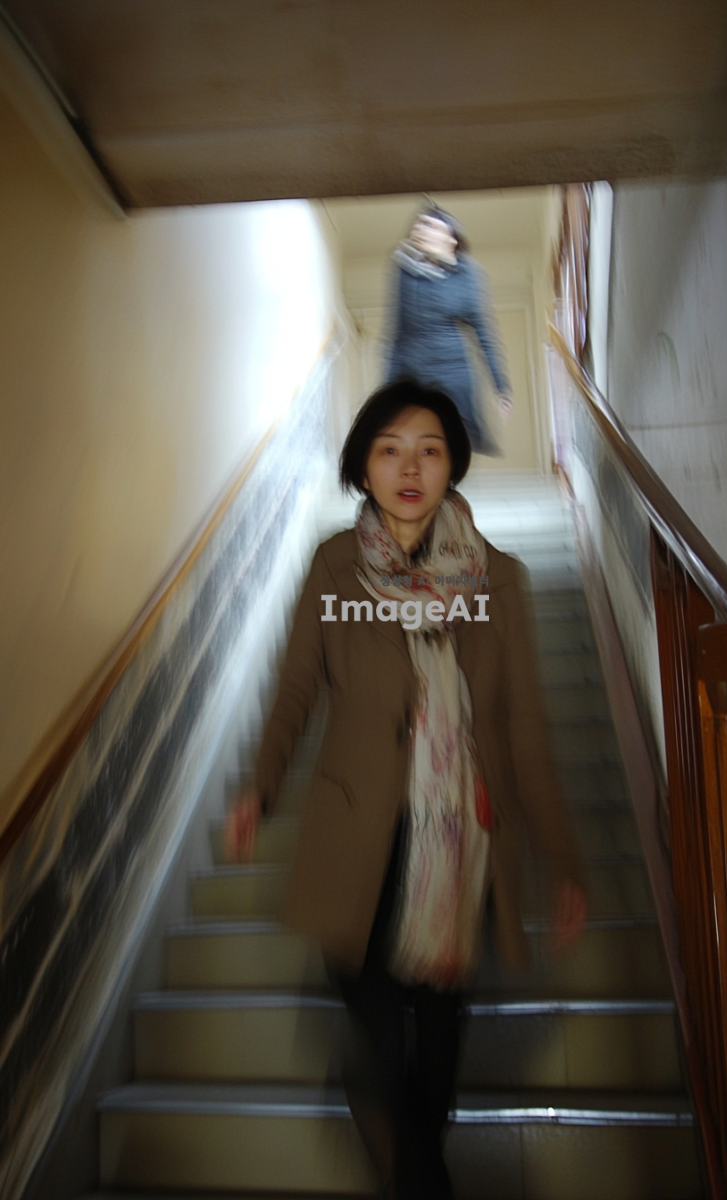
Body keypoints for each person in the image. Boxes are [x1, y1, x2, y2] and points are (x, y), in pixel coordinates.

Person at [226, 380, 586, 1199]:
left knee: (439, 1056)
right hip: (357, 842)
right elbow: (295, 692)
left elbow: (524, 728)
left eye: (429, 449)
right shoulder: (334, 567)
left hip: (461, 845)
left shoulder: (500, 580)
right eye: (389, 450)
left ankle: (408, 1156)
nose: (410, 467)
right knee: (386, 1051)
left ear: (453, 463)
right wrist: (260, 787)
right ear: (363, 468)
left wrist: (563, 858)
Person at [384, 206, 514, 456]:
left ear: (451, 238)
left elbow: (484, 333)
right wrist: (387, 389)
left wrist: (501, 386)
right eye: (419, 225)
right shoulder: (404, 269)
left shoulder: (468, 275)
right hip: (411, 371)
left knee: (453, 440)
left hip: (453, 372)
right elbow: (396, 333)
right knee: (409, 435)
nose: (421, 229)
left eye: (431, 226)